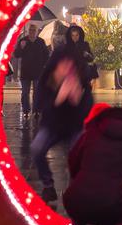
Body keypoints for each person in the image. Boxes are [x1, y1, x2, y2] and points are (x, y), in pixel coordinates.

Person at [30, 24, 94, 203]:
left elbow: (87, 99)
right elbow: (43, 86)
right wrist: (42, 106)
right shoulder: (52, 75)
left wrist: (83, 112)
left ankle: (76, 188)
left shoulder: (80, 77)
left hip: (74, 122)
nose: (65, 70)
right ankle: (48, 186)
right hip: (54, 122)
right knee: (37, 149)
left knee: (78, 154)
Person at [14, 23, 50, 115]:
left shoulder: (40, 42)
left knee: (37, 92)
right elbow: (16, 54)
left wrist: (44, 66)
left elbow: (46, 55)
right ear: (28, 31)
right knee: (25, 93)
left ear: (37, 31)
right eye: (30, 30)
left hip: (38, 72)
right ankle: (26, 110)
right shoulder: (23, 41)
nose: (32, 32)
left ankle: (36, 110)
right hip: (25, 72)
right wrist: (21, 47)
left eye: (34, 30)